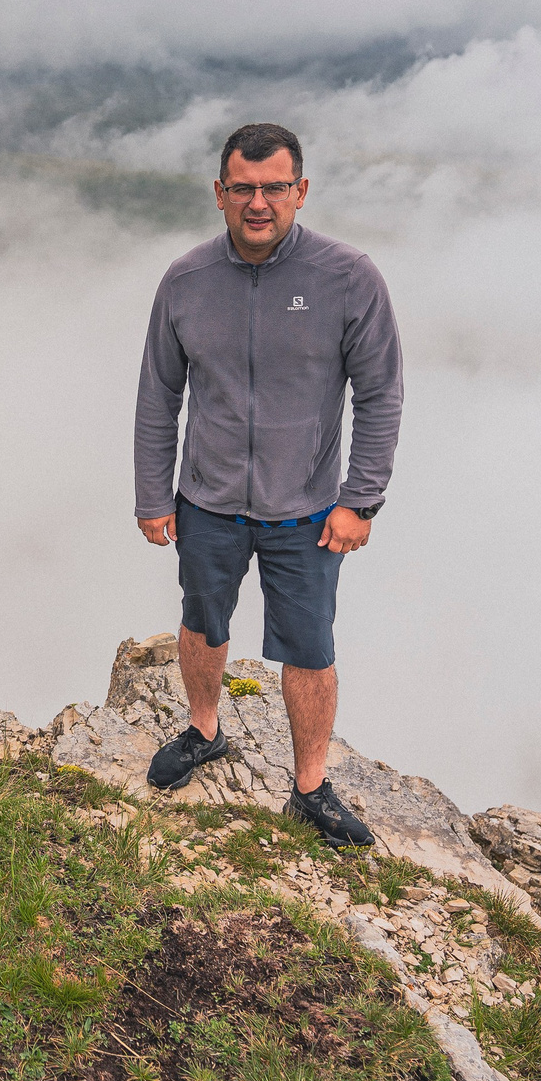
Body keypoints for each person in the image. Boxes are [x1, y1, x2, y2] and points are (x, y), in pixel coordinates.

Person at [132, 121, 404, 845]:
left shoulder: (348, 279)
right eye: (244, 188)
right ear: (220, 193)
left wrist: (361, 499)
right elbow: (160, 394)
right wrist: (153, 495)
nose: (260, 202)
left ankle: (310, 785)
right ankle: (203, 730)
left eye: (275, 187)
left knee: (309, 649)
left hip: (307, 509)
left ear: (301, 192)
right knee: (201, 621)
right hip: (208, 501)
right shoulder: (186, 281)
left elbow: (381, 393)